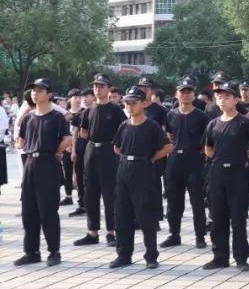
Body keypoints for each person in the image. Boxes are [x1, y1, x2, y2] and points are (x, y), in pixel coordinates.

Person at [202, 81, 249, 271]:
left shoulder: (245, 122)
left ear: (236, 99)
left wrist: (243, 156)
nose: (222, 100)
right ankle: (220, 256)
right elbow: (208, 148)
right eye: (219, 97)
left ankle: (241, 257)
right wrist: (221, 160)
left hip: (238, 173)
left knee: (238, 217)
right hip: (217, 173)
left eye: (227, 96)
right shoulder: (213, 123)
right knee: (217, 217)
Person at [110, 86, 172, 269]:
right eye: (127, 103)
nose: (129, 106)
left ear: (143, 103)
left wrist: (151, 158)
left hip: (143, 170)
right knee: (122, 216)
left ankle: (151, 255)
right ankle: (124, 255)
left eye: (133, 103)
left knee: (146, 216)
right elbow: (116, 147)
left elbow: (168, 147)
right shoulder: (123, 125)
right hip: (123, 170)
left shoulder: (151, 125)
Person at [14, 79, 72, 267]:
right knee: (28, 211)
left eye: (40, 90)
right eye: (33, 90)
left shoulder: (56, 117)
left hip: (48, 163)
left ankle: (54, 252)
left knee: (48, 211)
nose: (35, 93)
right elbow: (20, 139)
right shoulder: (29, 117)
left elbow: (67, 138)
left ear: (49, 94)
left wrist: (57, 150)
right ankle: (31, 252)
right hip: (30, 162)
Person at [75, 73, 126, 248]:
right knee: (90, 192)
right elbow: (82, 132)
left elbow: (124, 130)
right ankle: (92, 231)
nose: (98, 89)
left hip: (108, 152)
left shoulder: (115, 109)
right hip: (91, 151)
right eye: (96, 86)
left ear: (108, 88)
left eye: (102, 86)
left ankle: (111, 231)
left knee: (109, 193)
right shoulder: (88, 110)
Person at [161, 76, 210, 249]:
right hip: (175, 160)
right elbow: (169, 136)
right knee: (174, 199)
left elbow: (206, 141)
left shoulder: (201, 116)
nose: (186, 95)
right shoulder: (171, 114)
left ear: (194, 94)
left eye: (189, 91)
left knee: (197, 199)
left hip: (194, 160)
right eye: (183, 91)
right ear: (177, 94)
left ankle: (200, 236)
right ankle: (174, 234)